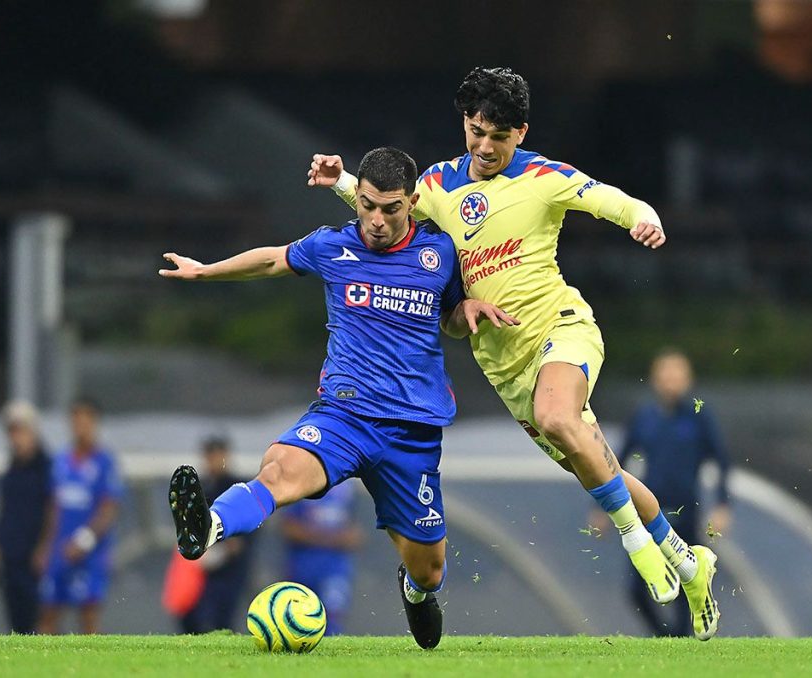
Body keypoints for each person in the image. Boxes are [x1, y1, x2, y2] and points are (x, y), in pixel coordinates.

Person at [308, 66, 720, 640]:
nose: (483, 146)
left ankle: (638, 548)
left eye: (497, 136)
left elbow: (608, 199)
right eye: (475, 131)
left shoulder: (544, 177)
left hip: (562, 328)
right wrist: (340, 182)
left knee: (559, 416)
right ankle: (688, 560)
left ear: (519, 133)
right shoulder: (435, 186)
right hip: (507, 369)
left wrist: (643, 217)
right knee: (600, 467)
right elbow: (386, 211)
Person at [160, 147, 515, 650]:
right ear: (358, 200)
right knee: (278, 468)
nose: (376, 220)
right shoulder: (333, 246)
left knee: (431, 568)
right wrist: (204, 271)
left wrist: (469, 308)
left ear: (411, 203)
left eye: (390, 209)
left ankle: (415, 593)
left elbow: (453, 319)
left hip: (410, 432)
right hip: (343, 415)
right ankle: (209, 526)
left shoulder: (439, 253)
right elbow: (271, 260)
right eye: (367, 205)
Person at [608, 349, 732, 637]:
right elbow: (616, 462)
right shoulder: (644, 417)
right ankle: (667, 637)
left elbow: (722, 460)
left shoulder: (699, 416)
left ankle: (683, 639)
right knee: (637, 588)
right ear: (654, 378)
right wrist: (603, 506)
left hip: (687, 509)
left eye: (678, 374)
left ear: (688, 379)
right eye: (665, 373)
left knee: (687, 579)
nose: (671, 380)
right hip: (649, 512)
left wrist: (722, 504)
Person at [38, 397, 124, 634]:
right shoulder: (60, 461)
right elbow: (54, 506)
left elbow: (109, 508)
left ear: (95, 423)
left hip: (90, 553)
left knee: (88, 617)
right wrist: (45, 546)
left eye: (86, 420)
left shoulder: (104, 462)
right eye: (75, 420)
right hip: (59, 549)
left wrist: (84, 540)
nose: (80, 426)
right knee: (48, 613)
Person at [0, 400, 53, 634]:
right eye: (11, 432)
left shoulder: (48, 468)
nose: (15, 438)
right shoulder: (12, 469)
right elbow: (6, 515)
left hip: (36, 560)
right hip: (12, 558)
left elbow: (54, 510)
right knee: (18, 625)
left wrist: (45, 548)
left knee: (43, 622)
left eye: (19, 431)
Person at [177, 436, 254, 634]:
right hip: (200, 568)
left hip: (230, 569)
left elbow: (246, 530)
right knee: (190, 617)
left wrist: (220, 553)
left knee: (220, 619)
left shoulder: (237, 487)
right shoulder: (202, 486)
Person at [281, 480, 363, 635]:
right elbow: (289, 527)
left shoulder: (348, 487)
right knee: (297, 621)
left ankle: (330, 657)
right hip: (302, 566)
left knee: (332, 616)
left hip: (335, 568)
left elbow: (355, 534)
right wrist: (329, 538)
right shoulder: (301, 482)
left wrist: (344, 539)